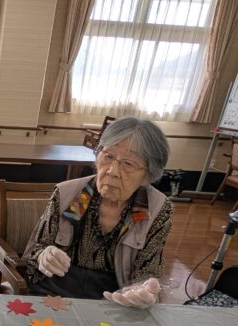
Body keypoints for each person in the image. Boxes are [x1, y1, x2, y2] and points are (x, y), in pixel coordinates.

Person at [25, 117, 173, 307]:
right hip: (54, 291)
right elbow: (35, 250)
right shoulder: (67, 194)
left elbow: (148, 274)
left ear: (148, 175)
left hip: (112, 300)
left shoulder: (158, 209)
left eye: (128, 164)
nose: (112, 171)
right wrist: (44, 255)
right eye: (108, 156)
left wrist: (142, 292)